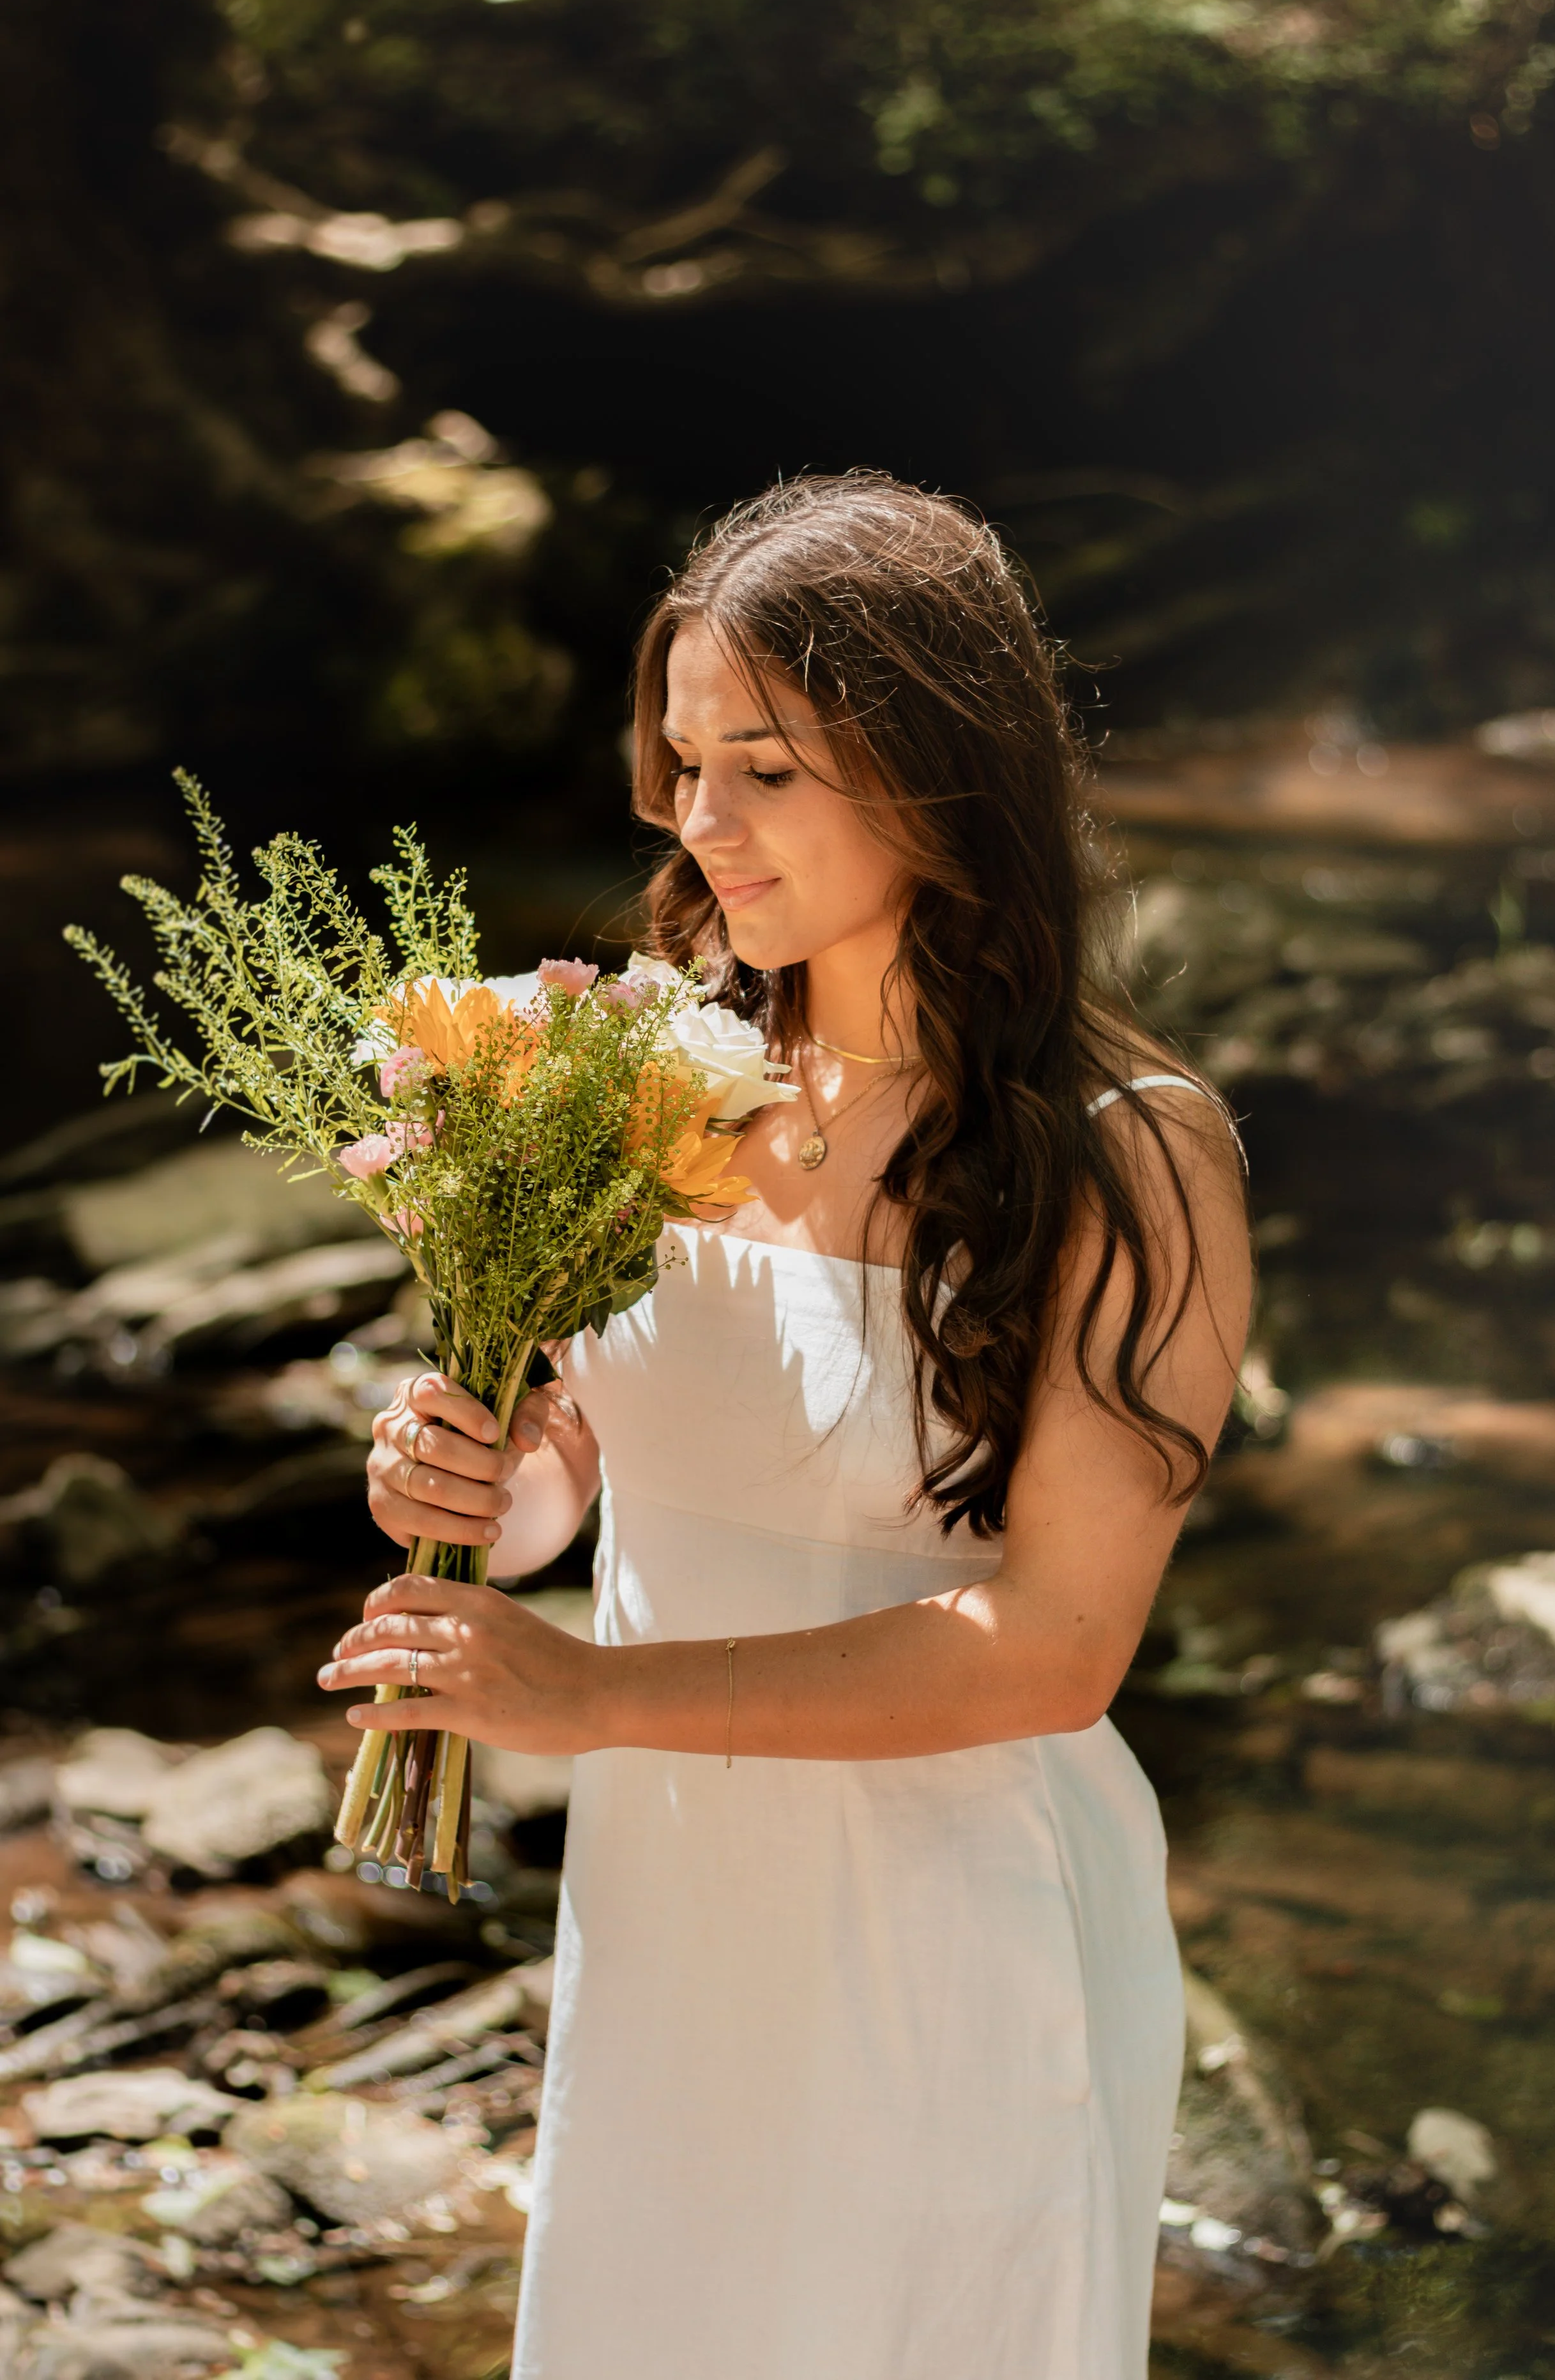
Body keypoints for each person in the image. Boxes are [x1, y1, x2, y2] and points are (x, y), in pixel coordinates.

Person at [319, 473, 1252, 2379]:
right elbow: (593, 1440)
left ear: (932, 764)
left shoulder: (1125, 1153)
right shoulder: (654, 1072)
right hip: (671, 1905)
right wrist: (477, 1493)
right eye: (679, 762)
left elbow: (1060, 1649)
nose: (697, 822)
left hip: (949, 1936)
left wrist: (579, 1697)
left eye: (764, 765)